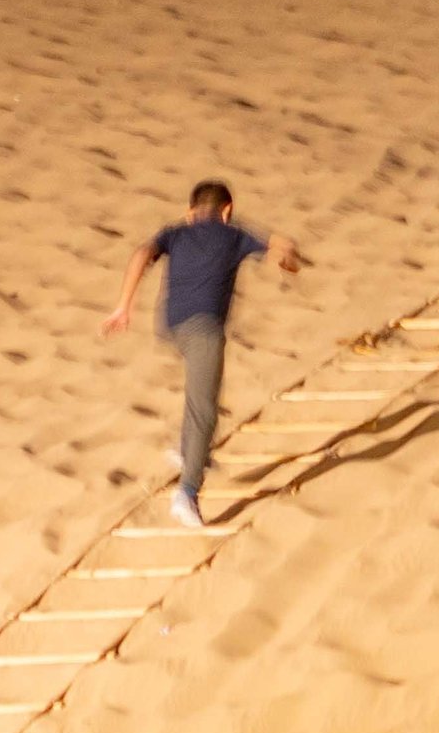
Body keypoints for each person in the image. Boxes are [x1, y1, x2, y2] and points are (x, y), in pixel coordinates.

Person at [101, 181, 305, 526]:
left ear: (190, 212)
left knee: (200, 396)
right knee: (204, 409)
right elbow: (282, 247)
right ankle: (187, 491)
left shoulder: (175, 232)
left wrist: (123, 306)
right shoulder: (234, 234)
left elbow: (141, 253)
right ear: (227, 211)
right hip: (204, 329)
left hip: (171, 326)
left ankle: (188, 451)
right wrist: (290, 260)